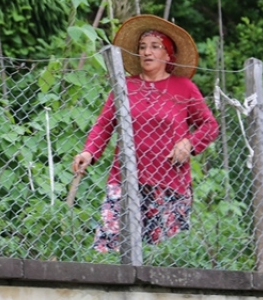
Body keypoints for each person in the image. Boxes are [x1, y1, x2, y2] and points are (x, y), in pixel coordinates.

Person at [72, 15, 219, 251]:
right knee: (111, 247)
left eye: (154, 47)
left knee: (163, 254)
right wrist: (88, 152)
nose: (147, 52)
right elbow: (104, 124)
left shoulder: (184, 88)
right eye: (142, 47)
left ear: (168, 55)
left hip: (169, 183)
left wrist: (188, 144)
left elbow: (209, 125)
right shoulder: (125, 86)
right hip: (125, 179)